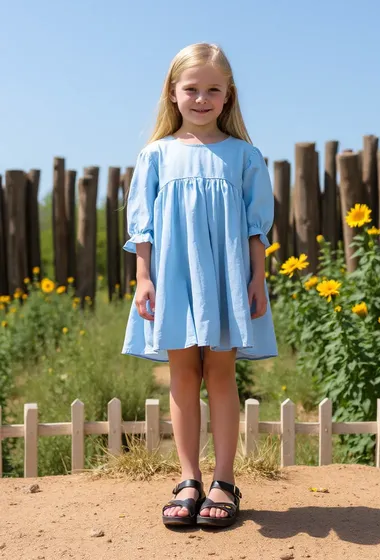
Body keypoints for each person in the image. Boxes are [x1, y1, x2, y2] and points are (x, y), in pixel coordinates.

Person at [122, 42, 278, 528]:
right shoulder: (155, 156)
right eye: (192, 88)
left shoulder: (244, 155)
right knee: (183, 376)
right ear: (173, 93)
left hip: (228, 279)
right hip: (173, 279)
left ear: (229, 96)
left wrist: (258, 278)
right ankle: (188, 478)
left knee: (221, 376)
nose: (202, 98)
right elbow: (142, 227)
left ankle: (224, 481)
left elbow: (257, 228)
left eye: (214, 89)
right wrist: (143, 279)